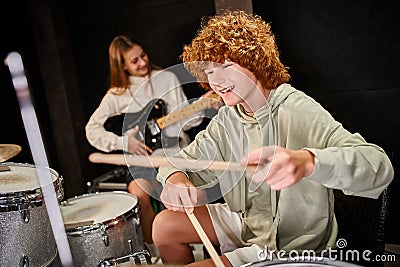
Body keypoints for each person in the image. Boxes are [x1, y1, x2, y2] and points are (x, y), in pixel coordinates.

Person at [152, 10, 394, 266]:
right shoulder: (228, 118)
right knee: (164, 226)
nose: (216, 81)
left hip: (288, 244)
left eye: (226, 66)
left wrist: (308, 161)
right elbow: (177, 162)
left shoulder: (296, 108)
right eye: (210, 72)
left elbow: (379, 166)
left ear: (254, 60)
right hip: (251, 222)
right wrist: (176, 179)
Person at [85, 35, 219, 251]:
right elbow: (91, 131)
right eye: (134, 61)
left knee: (177, 193)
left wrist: (199, 107)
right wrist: (124, 142)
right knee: (138, 194)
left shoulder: (165, 78)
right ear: (123, 66)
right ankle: (156, 250)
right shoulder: (115, 96)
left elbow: (187, 123)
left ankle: (197, 247)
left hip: (174, 153)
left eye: (143, 55)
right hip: (142, 161)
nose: (143, 62)